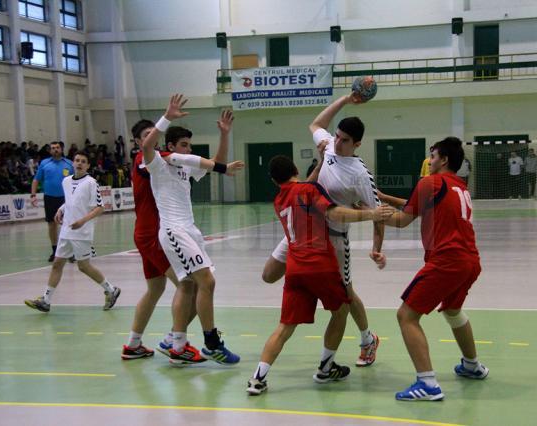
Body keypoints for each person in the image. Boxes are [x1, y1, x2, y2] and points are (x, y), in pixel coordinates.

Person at [247, 154, 395, 395]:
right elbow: (334, 213)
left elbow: (303, 189)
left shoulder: (279, 200)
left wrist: (317, 169)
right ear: (295, 168)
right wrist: (371, 214)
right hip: (320, 266)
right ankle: (326, 369)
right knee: (341, 311)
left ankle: (257, 379)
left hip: (295, 269)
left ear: (275, 181)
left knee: (285, 326)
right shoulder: (310, 190)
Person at [261, 92, 385, 368]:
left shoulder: (360, 174)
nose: (337, 142)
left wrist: (376, 249)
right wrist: (345, 100)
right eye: (337, 136)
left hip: (334, 238)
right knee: (269, 274)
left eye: (344, 140)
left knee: (346, 294)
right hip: (305, 230)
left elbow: (378, 214)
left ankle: (367, 340)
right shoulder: (328, 146)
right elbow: (315, 125)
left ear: (357, 144)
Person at [121, 109, 234, 362]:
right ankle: (176, 342)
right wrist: (168, 117)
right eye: (148, 135)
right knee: (190, 284)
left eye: (155, 133)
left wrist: (223, 137)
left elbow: (205, 163)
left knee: (155, 289)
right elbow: (162, 152)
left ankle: (133, 344)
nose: (154, 137)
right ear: (139, 142)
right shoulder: (146, 158)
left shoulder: (172, 160)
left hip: (150, 232)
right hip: (155, 233)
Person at [385, 137, 488, 401]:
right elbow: (419, 207)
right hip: (470, 262)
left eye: (432, 156)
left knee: (406, 315)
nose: (429, 161)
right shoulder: (458, 186)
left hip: (447, 260)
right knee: (453, 312)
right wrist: (384, 198)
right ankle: (472, 365)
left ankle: (428, 384)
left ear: (443, 159)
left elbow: (401, 221)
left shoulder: (429, 183)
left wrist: (369, 213)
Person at [24, 152, 120, 313]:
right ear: (73, 163)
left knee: (83, 266)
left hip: (82, 232)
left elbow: (100, 207)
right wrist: (60, 210)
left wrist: (83, 220)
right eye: (77, 160)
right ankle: (46, 301)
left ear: (88, 166)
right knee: (57, 264)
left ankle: (111, 290)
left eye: (83, 161)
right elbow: (70, 201)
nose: (79, 163)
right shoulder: (66, 181)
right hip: (66, 230)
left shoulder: (91, 183)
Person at [31, 141, 75, 262]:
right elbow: (36, 180)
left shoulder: (69, 164)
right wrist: (33, 195)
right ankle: (55, 251)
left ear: (61, 149)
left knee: (68, 225)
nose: (55, 150)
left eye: (57, 148)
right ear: (50, 151)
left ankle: (70, 251)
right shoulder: (44, 163)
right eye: (53, 148)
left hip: (65, 199)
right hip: (49, 198)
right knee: (51, 224)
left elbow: (76, 181)